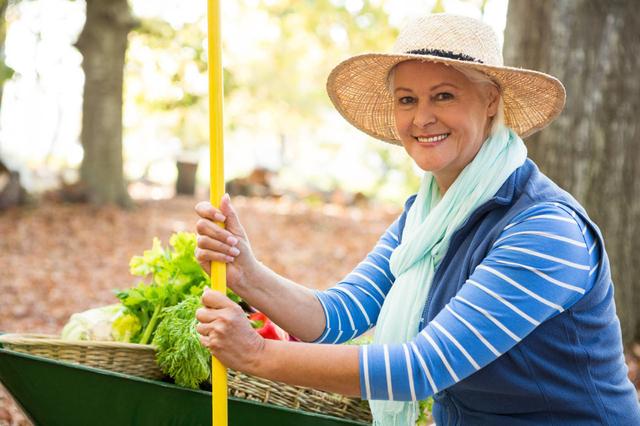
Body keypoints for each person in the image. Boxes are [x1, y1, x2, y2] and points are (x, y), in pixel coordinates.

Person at [193, 14, 640, 425]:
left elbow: (422, 368)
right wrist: (245, 272)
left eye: (443, 95)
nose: (422, 118)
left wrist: (255, 354)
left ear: (490, 100)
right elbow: (335, 317)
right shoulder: (425, 217)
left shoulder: (543, 228)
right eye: (407, 100)